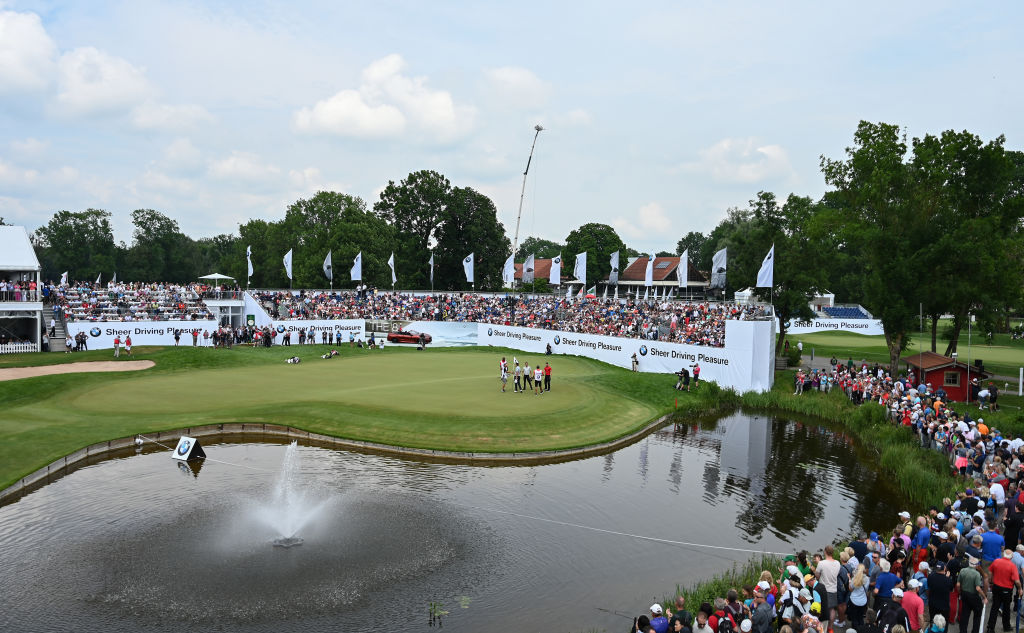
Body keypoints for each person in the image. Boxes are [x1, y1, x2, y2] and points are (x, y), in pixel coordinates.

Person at [986, 549, 1021, 633]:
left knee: (994, 607)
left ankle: (990, 628)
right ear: (1011, 557)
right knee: (1006, 609)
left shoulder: (996, 561)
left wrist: (991, 580)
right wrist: (1020, 588)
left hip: (996, 587)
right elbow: (1016, 581)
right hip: (1007, 590)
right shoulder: (1012, 566)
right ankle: (1006, 626)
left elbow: (990, 572)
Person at [956, 557, 986, 633]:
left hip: (964, 595)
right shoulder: (977, 574)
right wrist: (984, 597)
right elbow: (978, 588)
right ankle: (975, 631)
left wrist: (960, 592)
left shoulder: (962, 571)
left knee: (965, 614)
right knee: (977, 615)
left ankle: (963, 631)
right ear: (976, 565)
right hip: (973, 596)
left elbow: (958, 584)